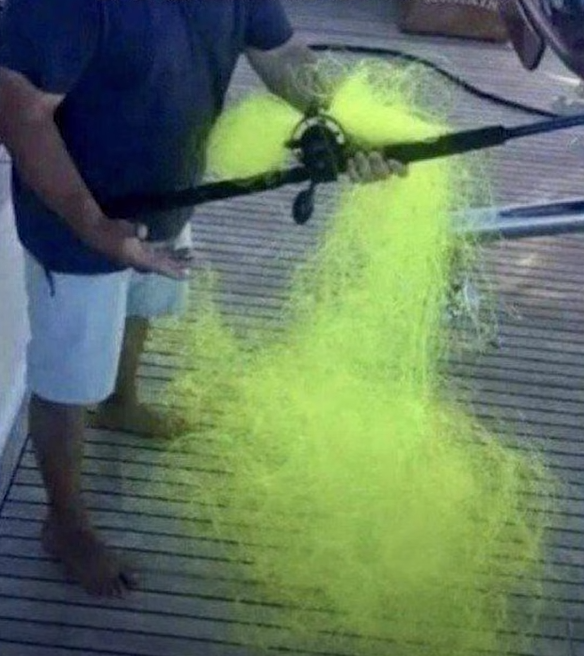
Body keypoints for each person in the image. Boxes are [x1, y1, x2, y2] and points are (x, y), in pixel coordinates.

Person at [0, 0, 401, 598]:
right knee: (66, 381)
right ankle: (64, 523)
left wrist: (349, 123)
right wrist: (94, 225)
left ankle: (120, 403)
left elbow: (283, 56)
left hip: (169, 197)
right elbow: (17, 109)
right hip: (76, 229)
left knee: (143, 304)